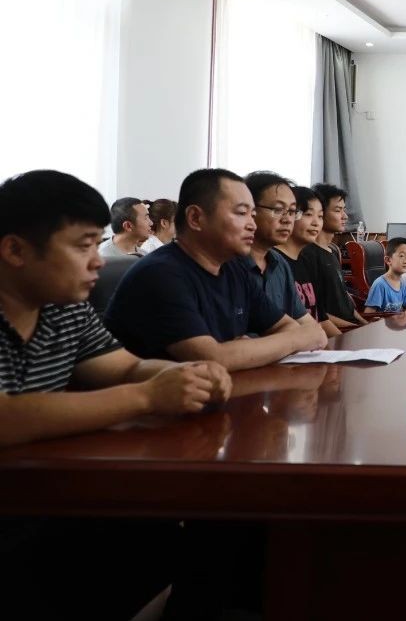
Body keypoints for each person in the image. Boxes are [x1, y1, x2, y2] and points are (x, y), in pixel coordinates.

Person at [0, 171, 234, 621]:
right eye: (82, 246)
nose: (97, 262)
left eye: (97, 244)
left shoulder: (65, 309)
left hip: (44, 494)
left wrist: (188, 373)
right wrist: (148, 397)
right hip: (16, 515)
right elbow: (6, 418)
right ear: (15, 250)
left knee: (208, 537)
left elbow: (124, 367)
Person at [104, 169, 327, 370]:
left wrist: (246, 348)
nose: (252, 224)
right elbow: (212, 359)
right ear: (195, 218)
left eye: (252, 214)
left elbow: (297, 329)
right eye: (241, 213)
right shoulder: (161, 274)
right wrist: (289, 341)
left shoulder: (234, 269)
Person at [276, 186, 349, 338]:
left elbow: (321, 319)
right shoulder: (275, 263)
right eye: (308, 214)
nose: (316, 223)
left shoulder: (305, 261)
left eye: (320, 216)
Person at [243, 171, 311, 325]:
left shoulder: (279, 263)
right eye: (278, 210)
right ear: (250, 211)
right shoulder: (228, 265)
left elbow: (308, 325)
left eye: (292, 211)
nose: (287, 220)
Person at [310, 181, 365, 327]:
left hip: (351, 326)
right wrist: (355, 328)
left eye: (343, 210)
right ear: (320, 213)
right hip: (336, 331)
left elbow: (344, 300)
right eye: (337, 210)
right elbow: (315, 312)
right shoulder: (308, 255)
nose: (345, 216)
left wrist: (364, 324)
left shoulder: (333, 250)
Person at [363, 237, 406, 314]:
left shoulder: (403, 283)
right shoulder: (380, 284)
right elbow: (369, 313)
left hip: (399, 320)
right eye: (401, 256)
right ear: (388, 260)